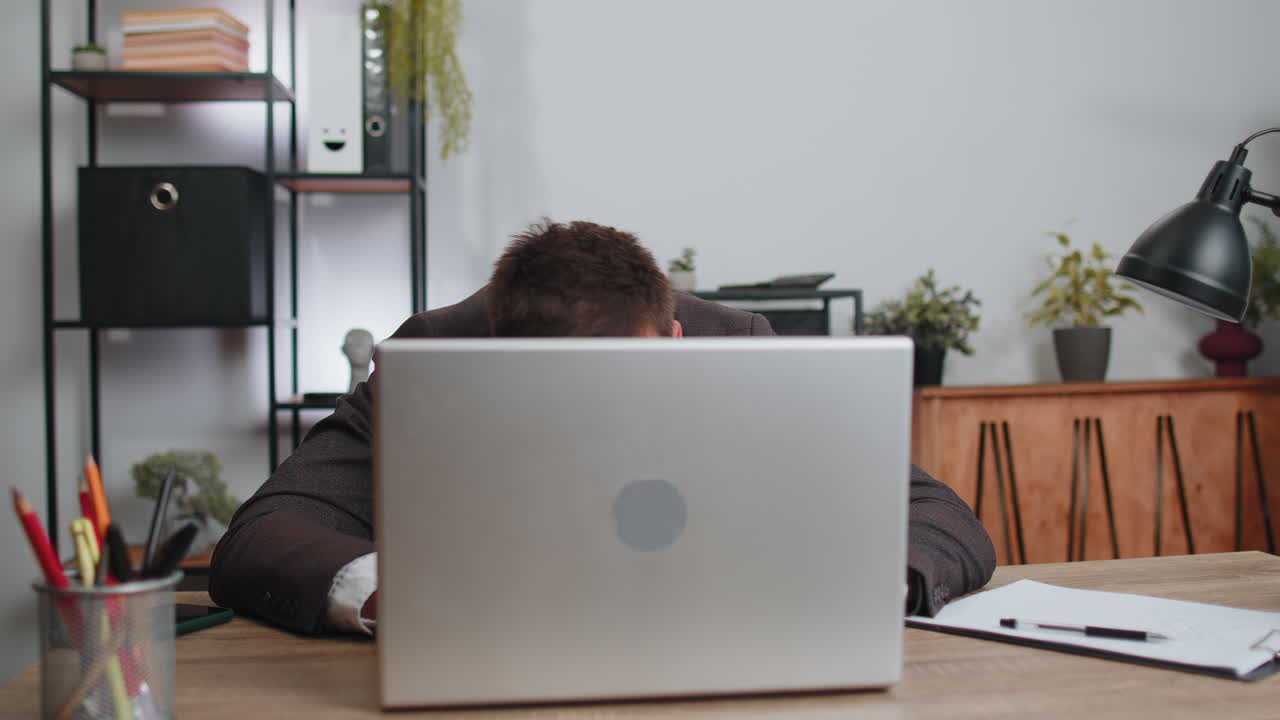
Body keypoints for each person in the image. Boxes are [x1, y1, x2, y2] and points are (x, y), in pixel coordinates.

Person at [209, 220, 995, 635]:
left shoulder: (739, 348)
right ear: (497, 356)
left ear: (676, 341)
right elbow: (263, 536)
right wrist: (392, 595)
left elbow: (938, 518)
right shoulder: (431, 354)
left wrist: (859, 586)